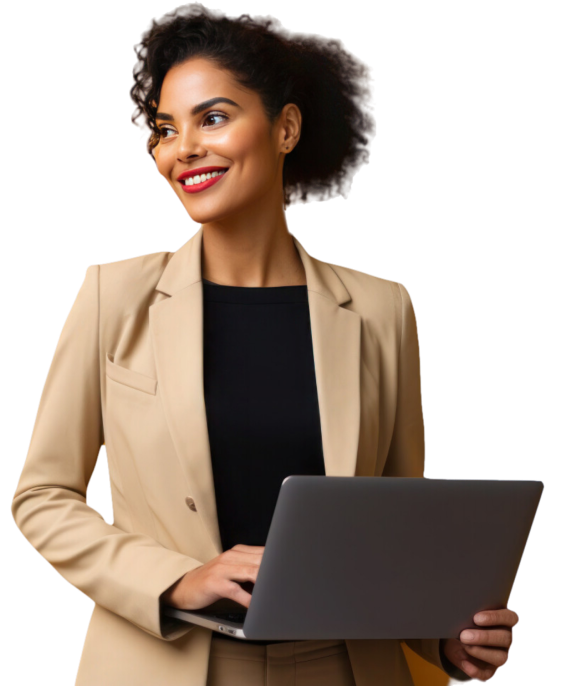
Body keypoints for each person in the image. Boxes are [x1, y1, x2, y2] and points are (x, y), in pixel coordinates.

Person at [11, 3, 517, 685]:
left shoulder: (379, 312)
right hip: (163, 665)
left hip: (342, 669)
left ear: (285, 128)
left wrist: (443, 641)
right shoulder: (113, 296)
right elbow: (44, 494)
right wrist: (176, 579)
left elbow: (394, 526)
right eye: (166, 129)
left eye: (212, 118)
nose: (181, 147)